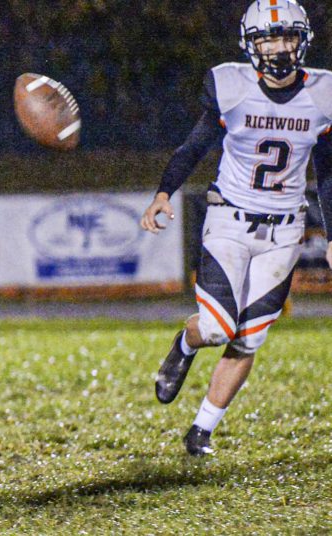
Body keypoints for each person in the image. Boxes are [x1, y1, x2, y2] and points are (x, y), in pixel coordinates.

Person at [140, 0, 332, 456]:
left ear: (302, 40)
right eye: (266, 39)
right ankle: (184, 345)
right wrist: (164, 191)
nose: (277, 48)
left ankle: (201, 430)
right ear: (250, 45)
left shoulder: (323, 94)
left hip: (285, 231)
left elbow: (327, 171)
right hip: (229, 219)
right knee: (216, 328)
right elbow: (195, 145)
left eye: (284, 36)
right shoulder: (231, 86)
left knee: (250, 337)